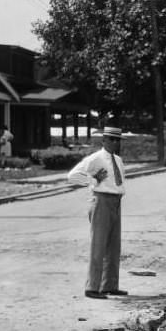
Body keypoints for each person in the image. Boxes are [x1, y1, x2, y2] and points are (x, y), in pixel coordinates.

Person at [67, 126, 128, 299]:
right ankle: (92, 287)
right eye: (111, 139)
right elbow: (72, 176)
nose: (115, 143)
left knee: (113, 246)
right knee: (99, 244)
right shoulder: (95, 158)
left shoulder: (118, 160)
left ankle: (109, 285)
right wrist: (92, 180)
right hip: (101, 200)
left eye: (117, 140)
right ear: (104, 140)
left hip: (116, 201)